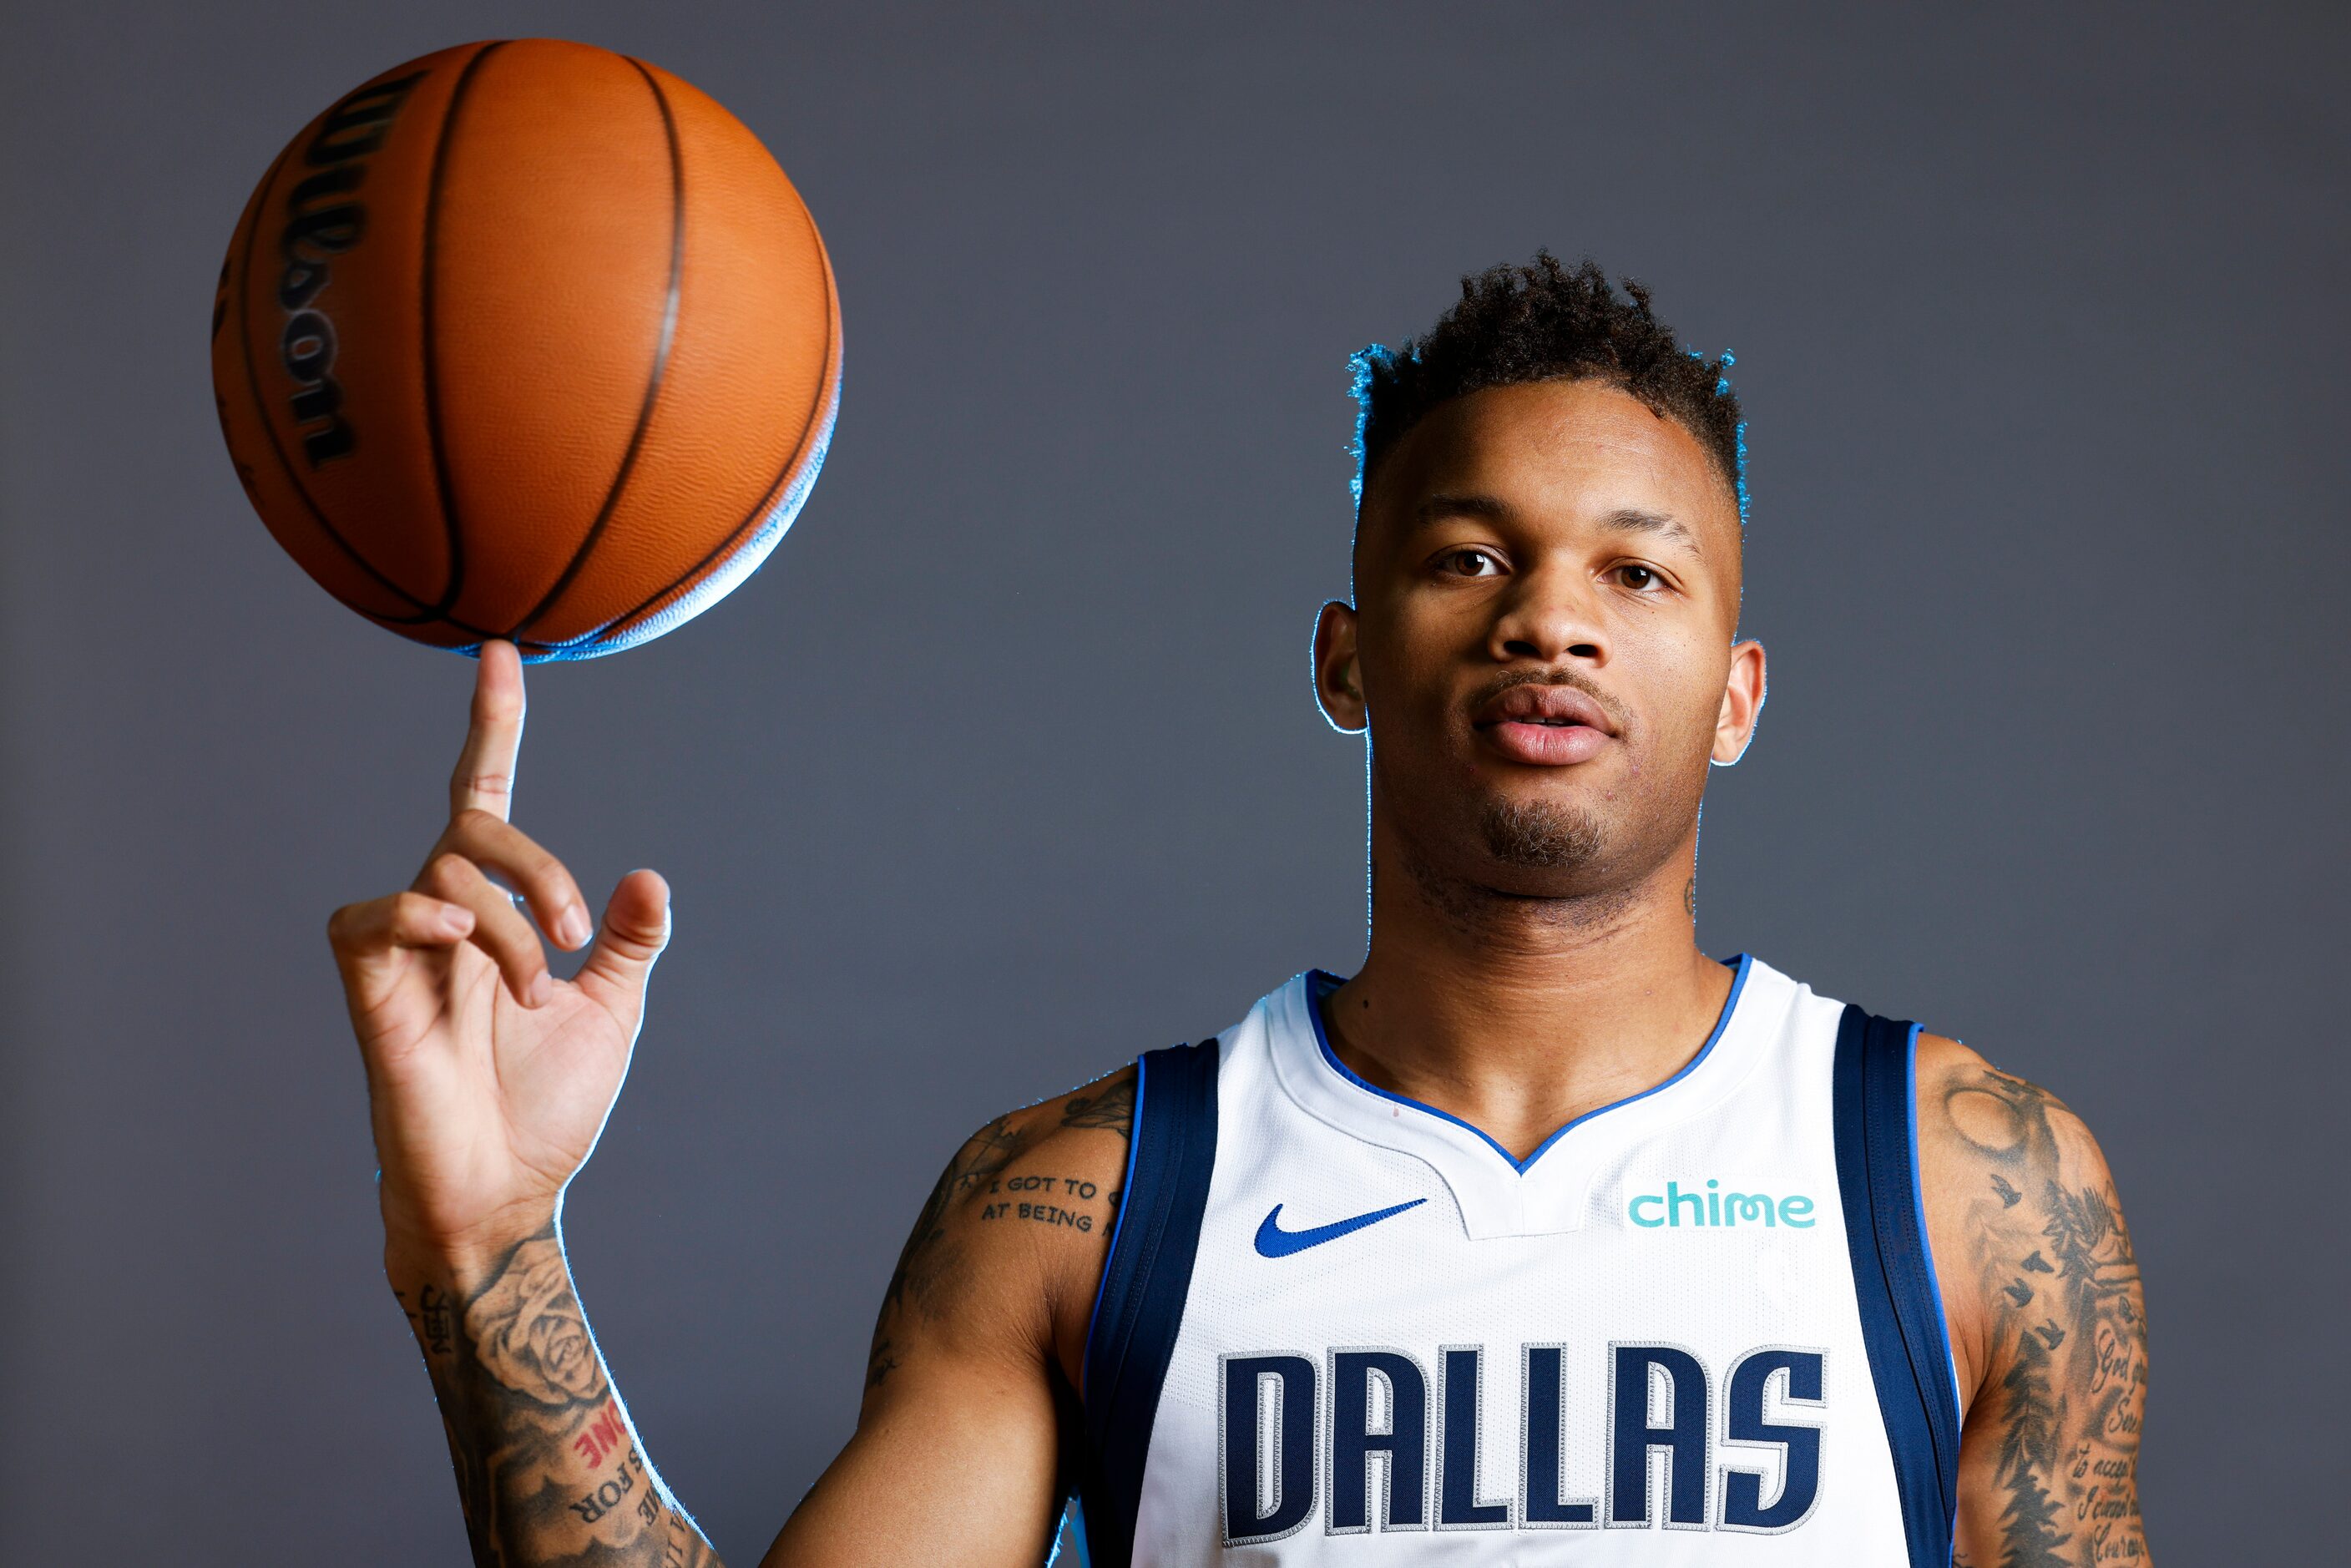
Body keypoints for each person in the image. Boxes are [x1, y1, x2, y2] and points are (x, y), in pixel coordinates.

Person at [326, 255, 2149, 1566]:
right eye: (1468, 555)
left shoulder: (1958, 1184)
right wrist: (488, 1252)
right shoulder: (1091, 1205)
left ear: (1737, 693)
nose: (1550, 619)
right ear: (1344, 662)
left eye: (1635, 569)